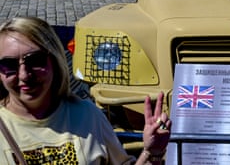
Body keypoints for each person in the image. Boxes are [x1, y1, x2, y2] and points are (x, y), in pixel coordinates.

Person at [0, 16, 171, 164]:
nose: (24, 75)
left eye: (35, 60)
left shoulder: (88, 115)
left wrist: (152, 152)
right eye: (8, 64)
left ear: (55, 60)